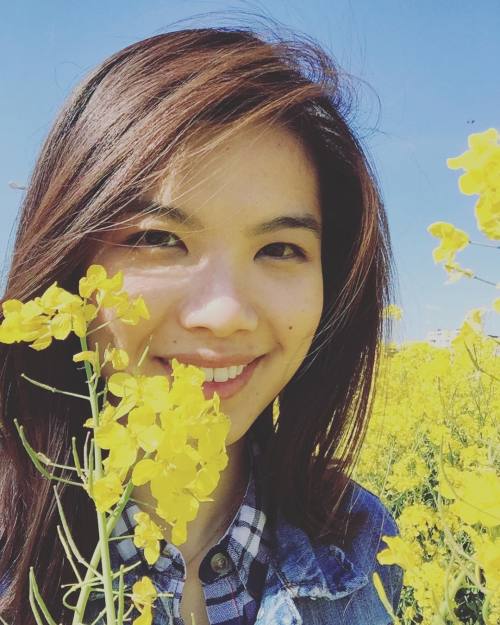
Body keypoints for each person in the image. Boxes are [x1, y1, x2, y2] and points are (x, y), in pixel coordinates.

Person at [0, 18, 403, 625]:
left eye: (280, 249)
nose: (224, 315)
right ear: (66, 257)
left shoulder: (363, 541)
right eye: (159, 238)